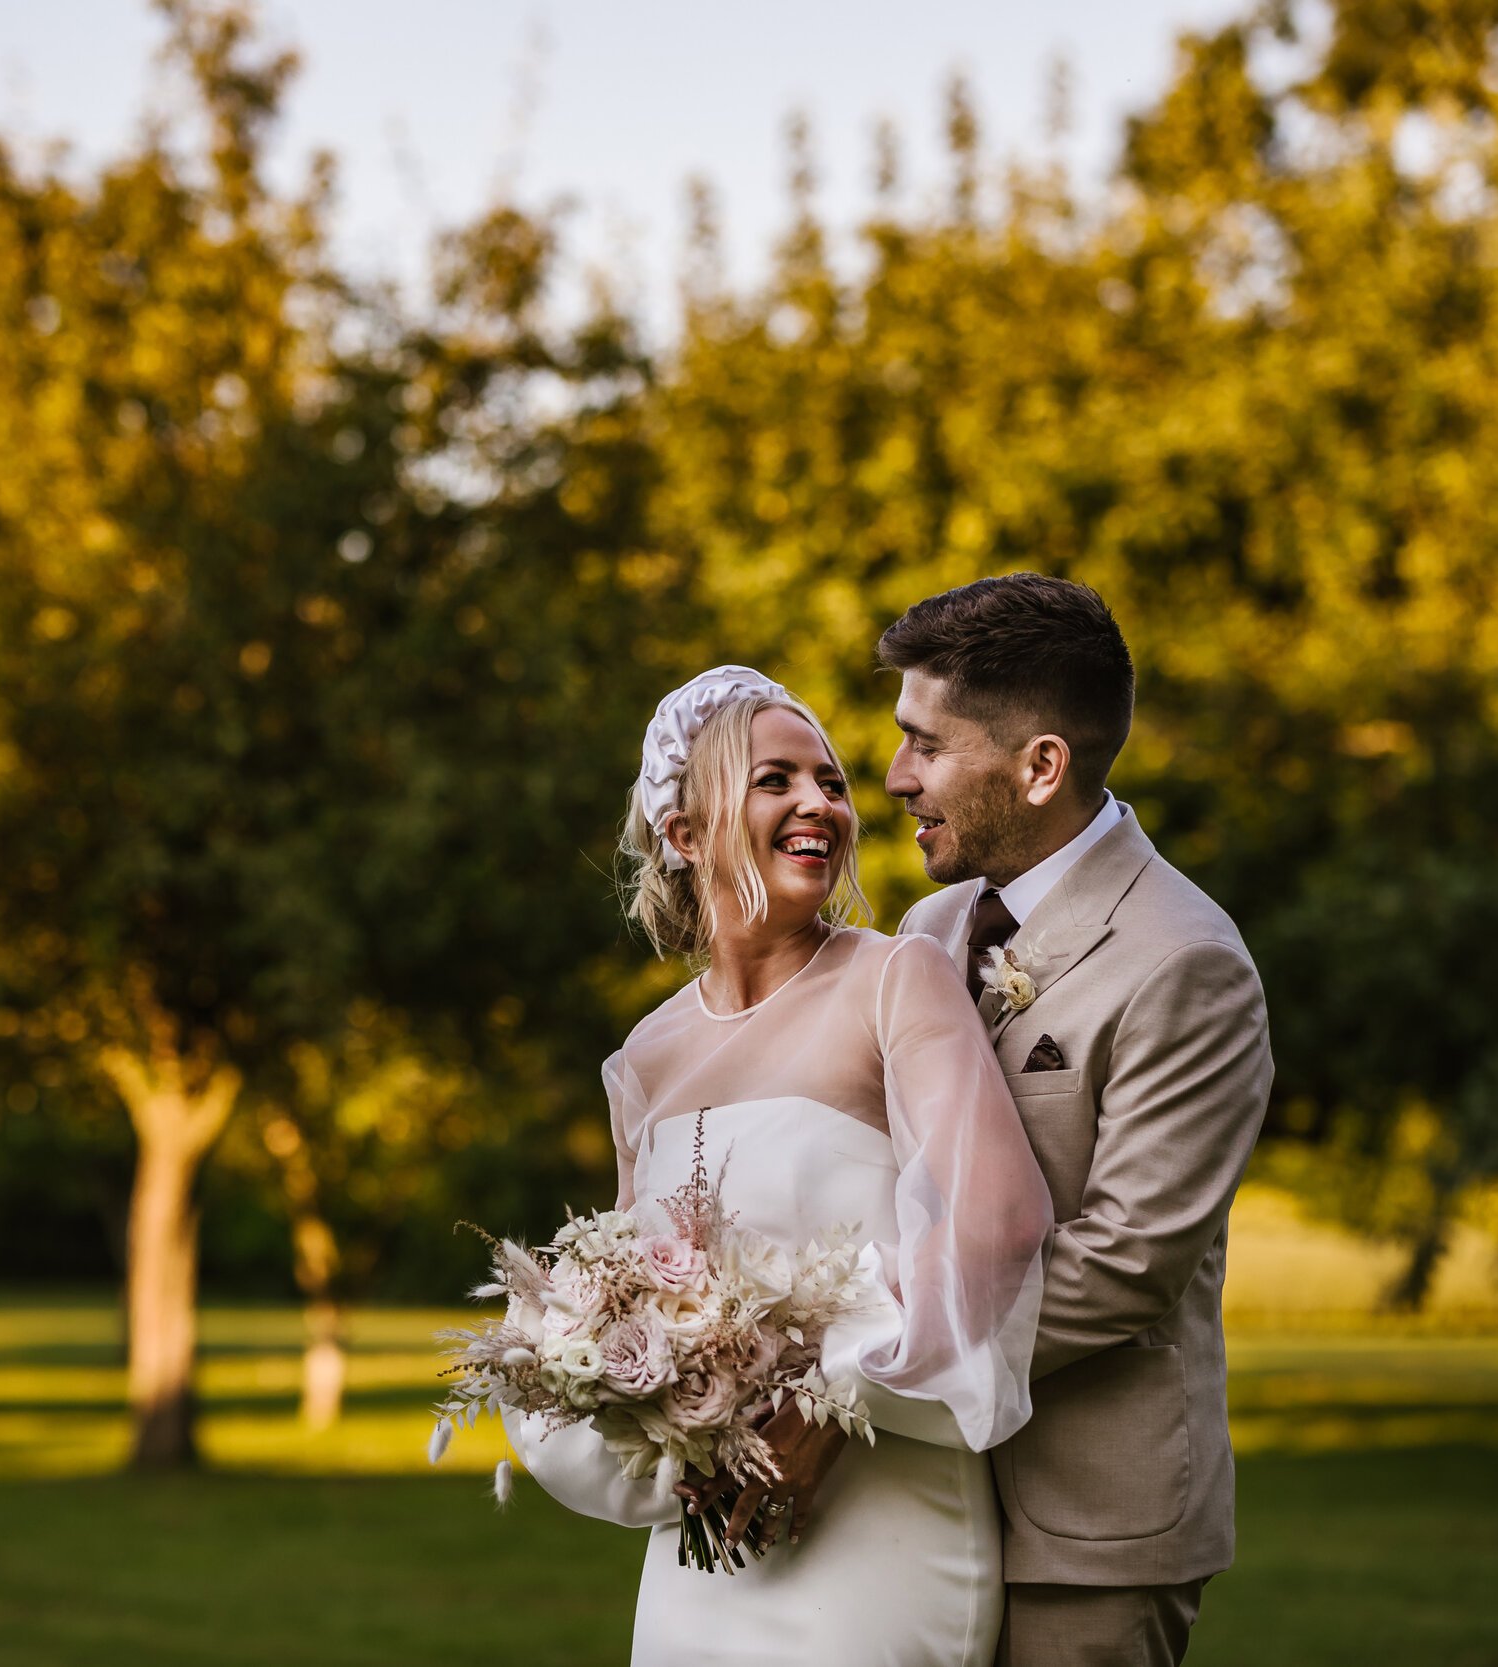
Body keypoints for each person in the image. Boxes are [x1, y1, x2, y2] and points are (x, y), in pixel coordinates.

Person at [505, 664, 1054, 1666]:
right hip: (703, 1543)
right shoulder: (644, 1058)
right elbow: (631, 1287)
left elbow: (996, 1224)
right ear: (683, 832)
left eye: (831, 781)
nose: (820, 803)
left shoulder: (897, 980)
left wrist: (834, 1398)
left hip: (880, 1521)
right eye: (775, 779)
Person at [874, 573, 1274, 1666]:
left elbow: (1128, 1260)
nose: (896, 775)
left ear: (1040, 764)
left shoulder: (1185, 960)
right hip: (913, 1508)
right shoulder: (930, 924)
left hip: (1087, 1531)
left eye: (926, 744)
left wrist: (867, 1374)